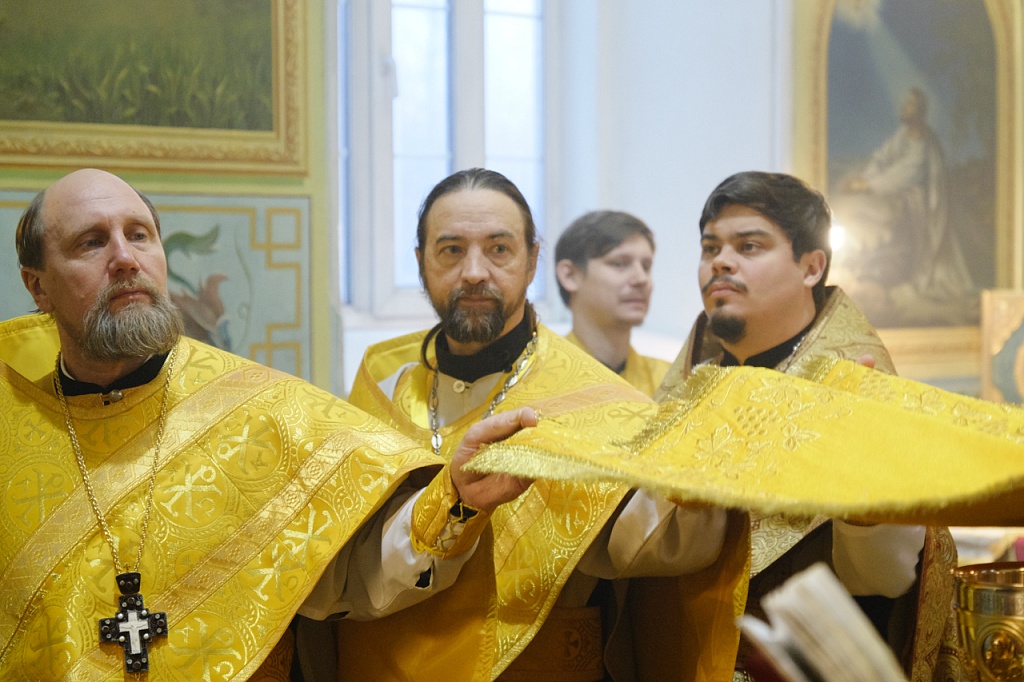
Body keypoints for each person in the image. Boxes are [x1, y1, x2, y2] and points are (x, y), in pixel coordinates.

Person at [0, 168, 534, 681]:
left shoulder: (263, 409)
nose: (125, 258)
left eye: (139, 235)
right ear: (37, 286)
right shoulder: (12, 419)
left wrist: (454, 499)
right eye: (92, 243)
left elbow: (353, 571)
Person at [341, 168, 747, 681]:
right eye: (450, 250)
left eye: (499, 249)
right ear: (421, 262)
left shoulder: (592, 397)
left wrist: (719, 442)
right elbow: (340, 550)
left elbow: (661, 544)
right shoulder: (381, 381)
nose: (474, 272)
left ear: (533, 261)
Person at [656, 170, 966, 681]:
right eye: (710, 247)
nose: (721, 262)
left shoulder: (857, 386)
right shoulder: (688, 385)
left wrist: (860, 489)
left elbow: (885, 581)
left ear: (811, 267)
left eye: (749, 246)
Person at [838, 87, 975, 324]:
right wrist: (864, 179)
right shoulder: (903, 135)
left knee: (893, 228)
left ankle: (903, 277)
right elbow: (882, 158)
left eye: (909, 105)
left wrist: (868, 185)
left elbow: (907, 172)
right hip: (897, 201)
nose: (904, 108)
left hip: (920, 209)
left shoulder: (923, 140)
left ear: (919, 110)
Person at [555, 210, 671, 396]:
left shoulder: (672, 383)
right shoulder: (537, 379)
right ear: (570, 276)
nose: (641, 279)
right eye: (619, 264)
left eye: (646, 266)